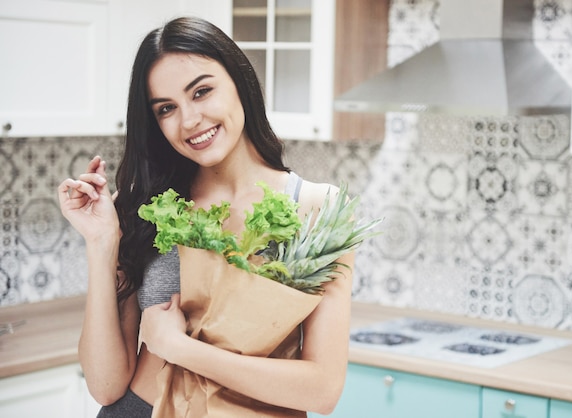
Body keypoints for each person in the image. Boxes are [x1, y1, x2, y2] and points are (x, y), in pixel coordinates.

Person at [57, 16, 353, 417]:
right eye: (166, 109)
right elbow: (106, 386)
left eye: (202, 91)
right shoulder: (144, 205)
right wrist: (101, 243)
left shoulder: (317, 207)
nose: (189, 121)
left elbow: (322, 391)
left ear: (239, 82)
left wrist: (179, 348)